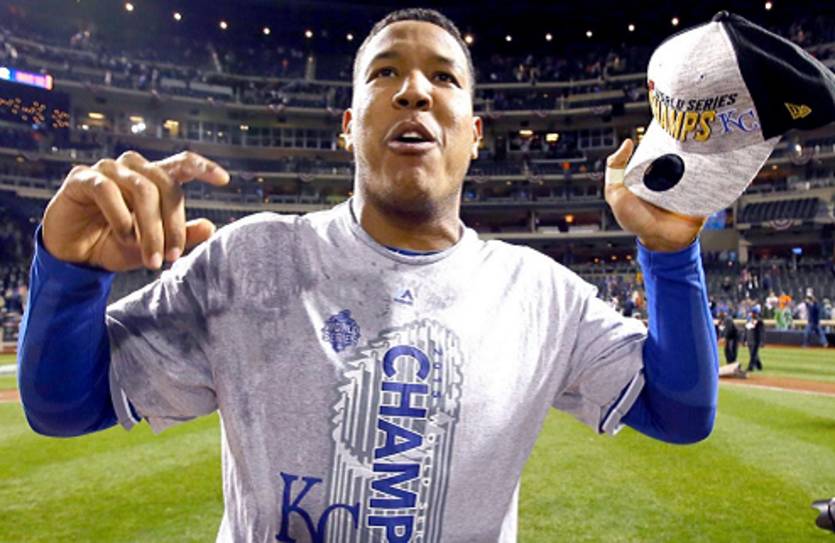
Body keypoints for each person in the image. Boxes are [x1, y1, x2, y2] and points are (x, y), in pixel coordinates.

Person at [17, 9, 718, 542]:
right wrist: (69, 267)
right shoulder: (251, 259)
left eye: (444, 77)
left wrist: (669, 255)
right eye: (385, 73)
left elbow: (681, 412)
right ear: (349, 126)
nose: (414, 91)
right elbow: (64, 405)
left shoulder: (539, 295)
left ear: (475, 133)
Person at [745, 307, 765, 372]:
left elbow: (762, 332)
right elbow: (746, 330)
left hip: (756, 340)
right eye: (753, 312)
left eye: (755, 313)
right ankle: (759, 365)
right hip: (749, 339)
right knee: (753, 354)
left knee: (753, 354)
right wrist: (745, 339)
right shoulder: (749, 320)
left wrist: (762, 341)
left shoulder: (759, 321)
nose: (753, 314)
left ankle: (750, 367)